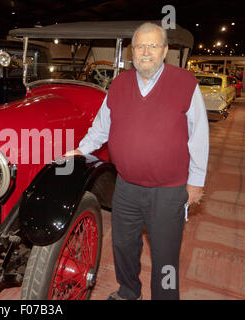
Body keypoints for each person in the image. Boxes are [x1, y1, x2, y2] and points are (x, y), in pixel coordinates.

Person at [65, 22, 209, 300]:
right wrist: (80, 151)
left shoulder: (185, 83)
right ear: (133, 52)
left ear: (165, 50)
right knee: (123, 246)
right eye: (140, 46)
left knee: (165, 254)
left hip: (169, 190)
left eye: (153, 46)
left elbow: (199, 136)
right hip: (127, 187)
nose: (146, 52)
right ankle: (129, 292)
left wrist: (196, 183)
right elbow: (100, 128)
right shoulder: (118, 85)